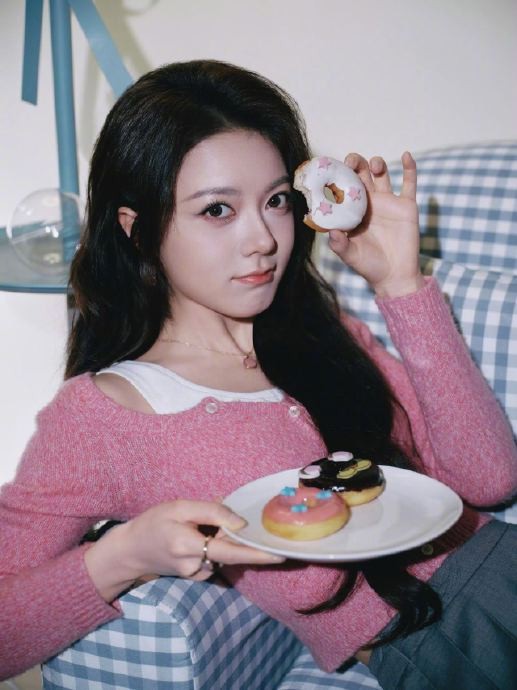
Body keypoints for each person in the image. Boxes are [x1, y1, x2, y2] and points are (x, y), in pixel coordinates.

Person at [0, 59, 516, 688]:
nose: (263, 240)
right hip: (449, 644)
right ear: (137, 231)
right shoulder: (104, 416)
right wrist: (122, 556)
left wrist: (402, 286)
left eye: (276, 202)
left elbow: (490, 479)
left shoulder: (322, 332)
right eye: (217, 210)